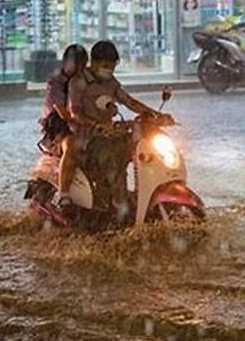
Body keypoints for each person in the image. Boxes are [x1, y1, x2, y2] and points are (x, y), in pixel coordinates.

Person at [60, 40, 167, 213]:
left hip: (109, 135)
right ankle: (120, 208)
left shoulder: (111, 83)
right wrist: (97, 125)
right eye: (105, 65)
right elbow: (75, 114)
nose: (109, 70)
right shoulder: (78, 83)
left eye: (112, 66)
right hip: (87, 140)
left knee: (143, 150)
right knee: (113, 159)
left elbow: (129, 101)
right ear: (93, 62)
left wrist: (155, 115)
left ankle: (141, 197)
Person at [37, 44, 88, 197]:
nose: (79, 68)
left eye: (82, 64)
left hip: (81, 125)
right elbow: (64, 113)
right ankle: (64, 194)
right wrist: (89, 122)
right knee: (71, 145)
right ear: (66, 62)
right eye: (76, 63)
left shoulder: (85, 81)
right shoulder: (56, 82)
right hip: (58, 129)